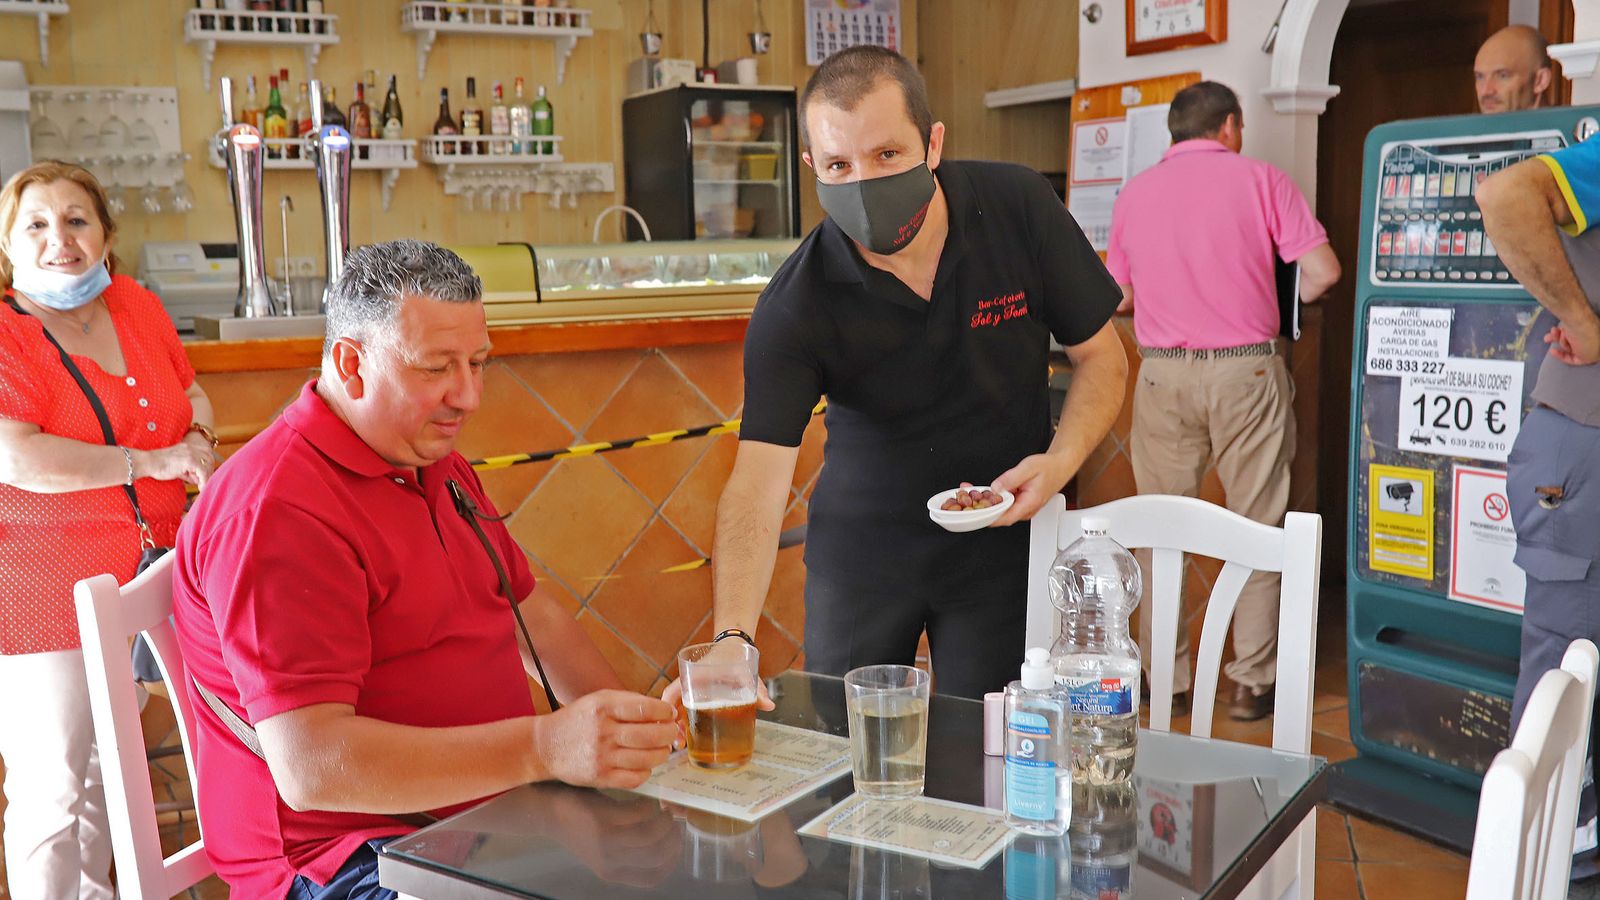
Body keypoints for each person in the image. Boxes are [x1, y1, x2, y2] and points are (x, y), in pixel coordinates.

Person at [171, 240, 678, 900]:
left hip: (486, 817)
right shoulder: (278, 508)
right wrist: (545, 746)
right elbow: (312, 769)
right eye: (436, 368)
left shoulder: (428, 457)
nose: (467, 397)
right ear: (350, 365)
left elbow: (534, 619)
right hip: (347, 859)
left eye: (478, 364)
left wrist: (636, 735)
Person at [704, 46, 1127, 702]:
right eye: (839, 165)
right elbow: (756, 484)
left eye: (886, 156)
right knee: (848, 761)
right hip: (863, 558)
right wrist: (733, 638)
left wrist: (1059, 461)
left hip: (1001, 545)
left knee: (995, 760)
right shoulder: (797, 304)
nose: (864, 183)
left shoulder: (1016, 207)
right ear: (813, 167)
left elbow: (1102, 356)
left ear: (932, 145)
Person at [0, 161, 217, 899]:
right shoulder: (7, 331)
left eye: (75, 219)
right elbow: (17, 456)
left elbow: (190, 392)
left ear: (106, 234)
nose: (58, 238)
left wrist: (202, 447)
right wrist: (152, 460)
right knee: (55, 787)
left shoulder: (137, 305)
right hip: (42, 590)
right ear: (9, 243)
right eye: (36, 223)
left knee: (108, 779)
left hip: (149, 576)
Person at [1105, 81, 1340, 722]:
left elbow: (1116, 296)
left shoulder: (1135, 194)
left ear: (1173, 134)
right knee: (1258, 527)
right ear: (1231, 126)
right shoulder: (1263, 180)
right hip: (1247, 376)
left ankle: (1167, 680)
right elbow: (1322, 273)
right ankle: (1248, 682)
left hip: (1163, 378)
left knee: (1161, 534)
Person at [1478, 131, 1600, 878]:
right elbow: (1507, 194)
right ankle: (1543, 864)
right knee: (1566, 671)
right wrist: (1584, 321)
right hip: (1583, 442)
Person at [1475, 24, 1554, 114]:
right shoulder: (1466, 128)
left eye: (1503, 76)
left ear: (1540, 80)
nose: (1486, 91)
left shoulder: (1568, 126)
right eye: (1480, 77)